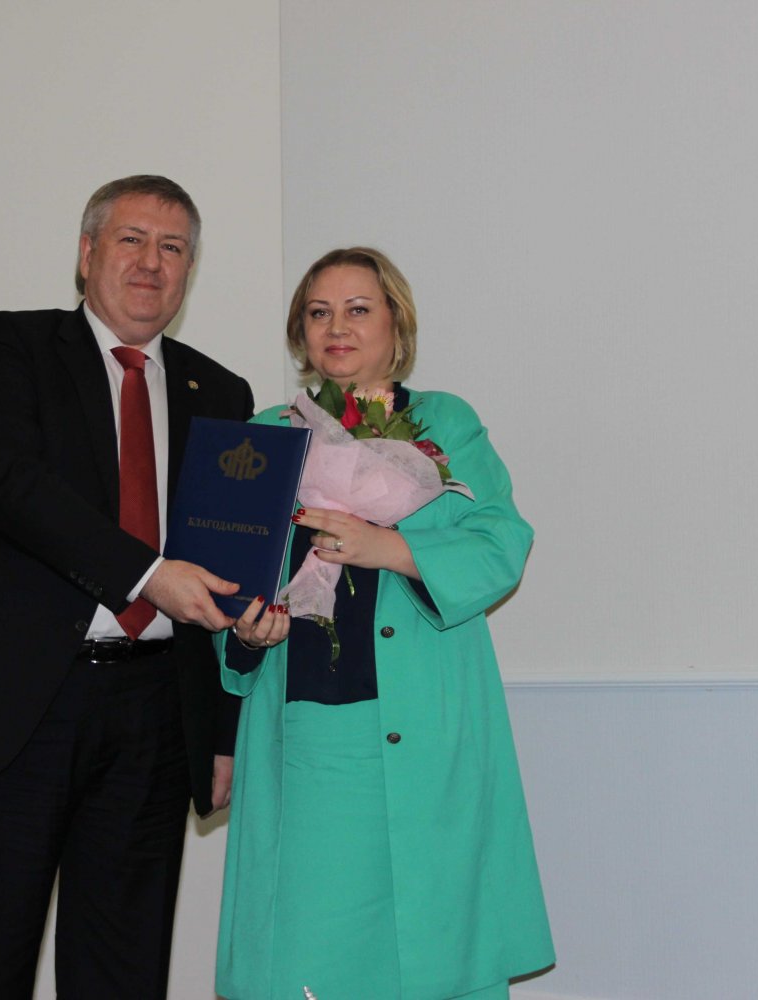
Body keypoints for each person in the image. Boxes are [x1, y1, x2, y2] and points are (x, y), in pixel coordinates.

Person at [0, 175, 256, 999]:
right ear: (87, 253)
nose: (151, 262)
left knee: (123, 973)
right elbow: (9, 483)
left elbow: (226, 567)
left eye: (173, 248)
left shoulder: (221, 393)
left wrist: (221, 730)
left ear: (190, 270)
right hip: (20, 703)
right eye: (132, 240)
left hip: (155, 717)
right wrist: (147, 576)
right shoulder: (10, 347)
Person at [215, 247, 555, 999]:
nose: (337, 327)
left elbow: (501, 543)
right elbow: (226, 579)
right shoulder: (264, 435)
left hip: (423, 726)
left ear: (396, 325)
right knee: (306, 946)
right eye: (319, 312)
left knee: (429, 949)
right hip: (305, 734)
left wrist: (388, 548)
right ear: (300, 333)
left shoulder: (444, 422)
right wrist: (244, 633)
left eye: (358, 309)